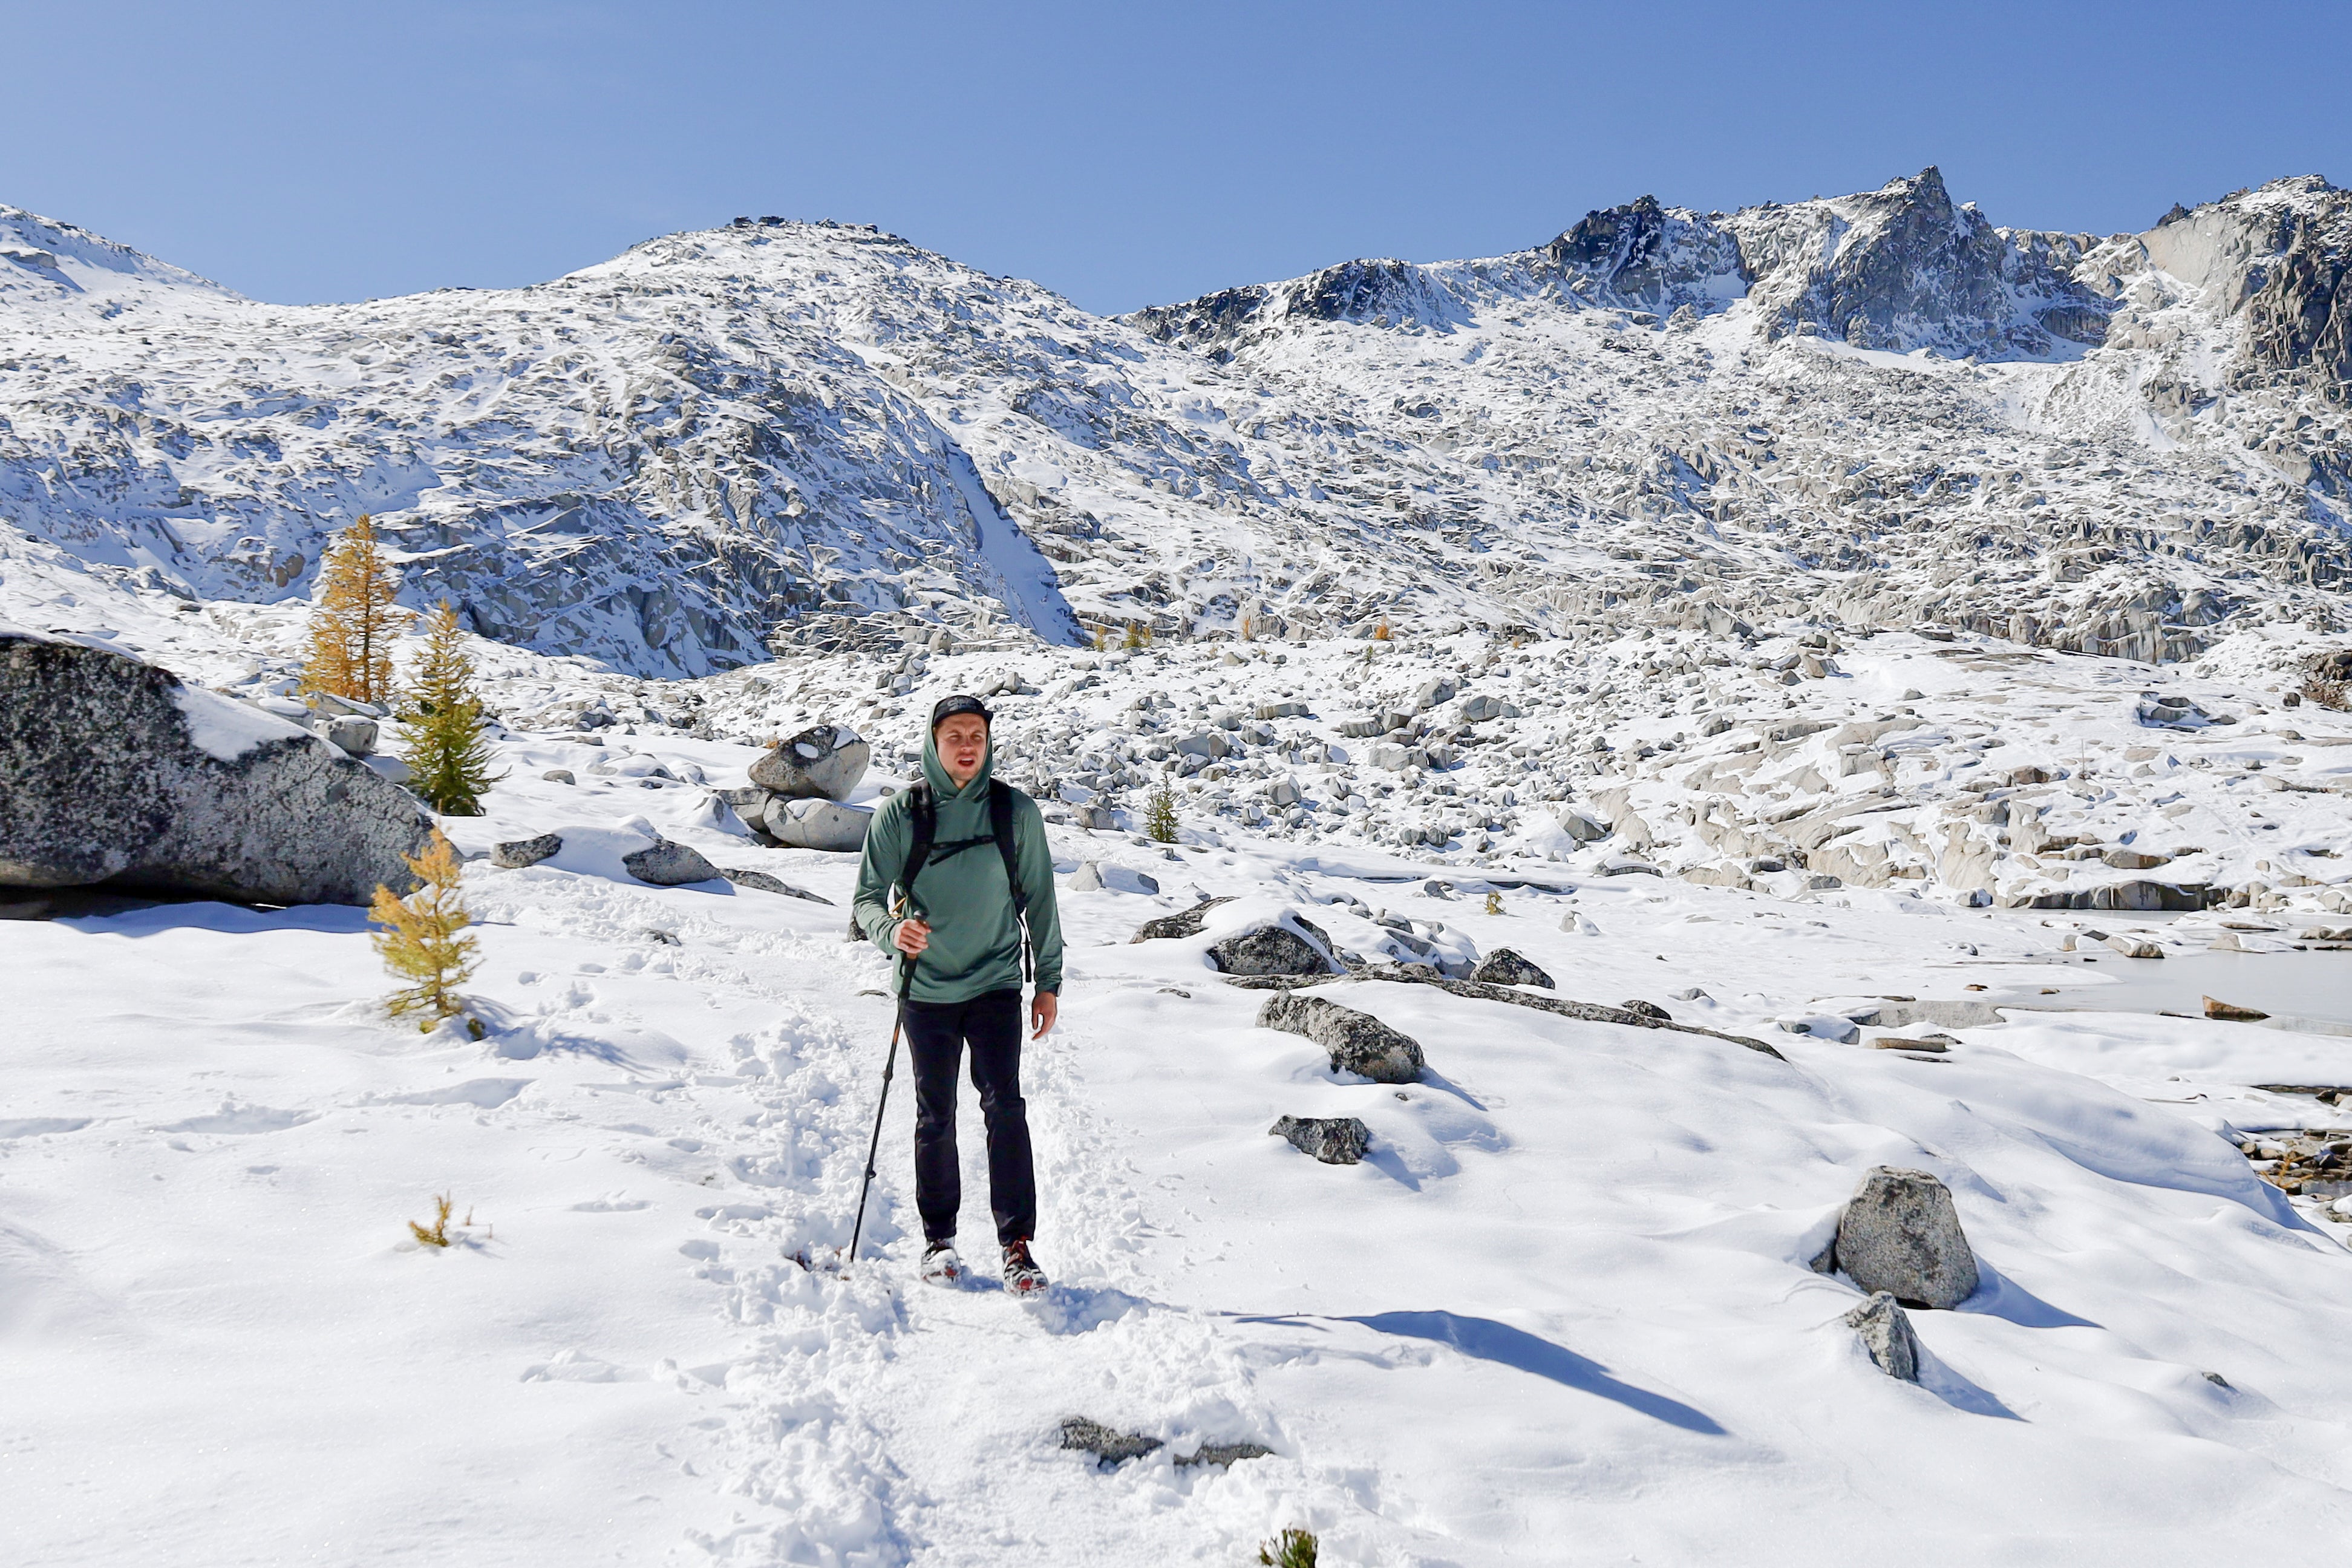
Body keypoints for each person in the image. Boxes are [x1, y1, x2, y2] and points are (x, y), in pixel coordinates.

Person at [852, 693, 1064, 1293]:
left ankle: (1017, 1247)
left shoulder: (1014, 812)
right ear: (934, 742)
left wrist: (1047, 982)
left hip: (996, 981)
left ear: (988, 743)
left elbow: (1042, 899)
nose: (967, 746)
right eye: (955, 736)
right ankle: (939, 1242)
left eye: (977, 735)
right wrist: (894, 933)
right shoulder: (904, 814)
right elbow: (866, 900)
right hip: (925, 988)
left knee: (1005, 1108)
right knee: (934, 1114)